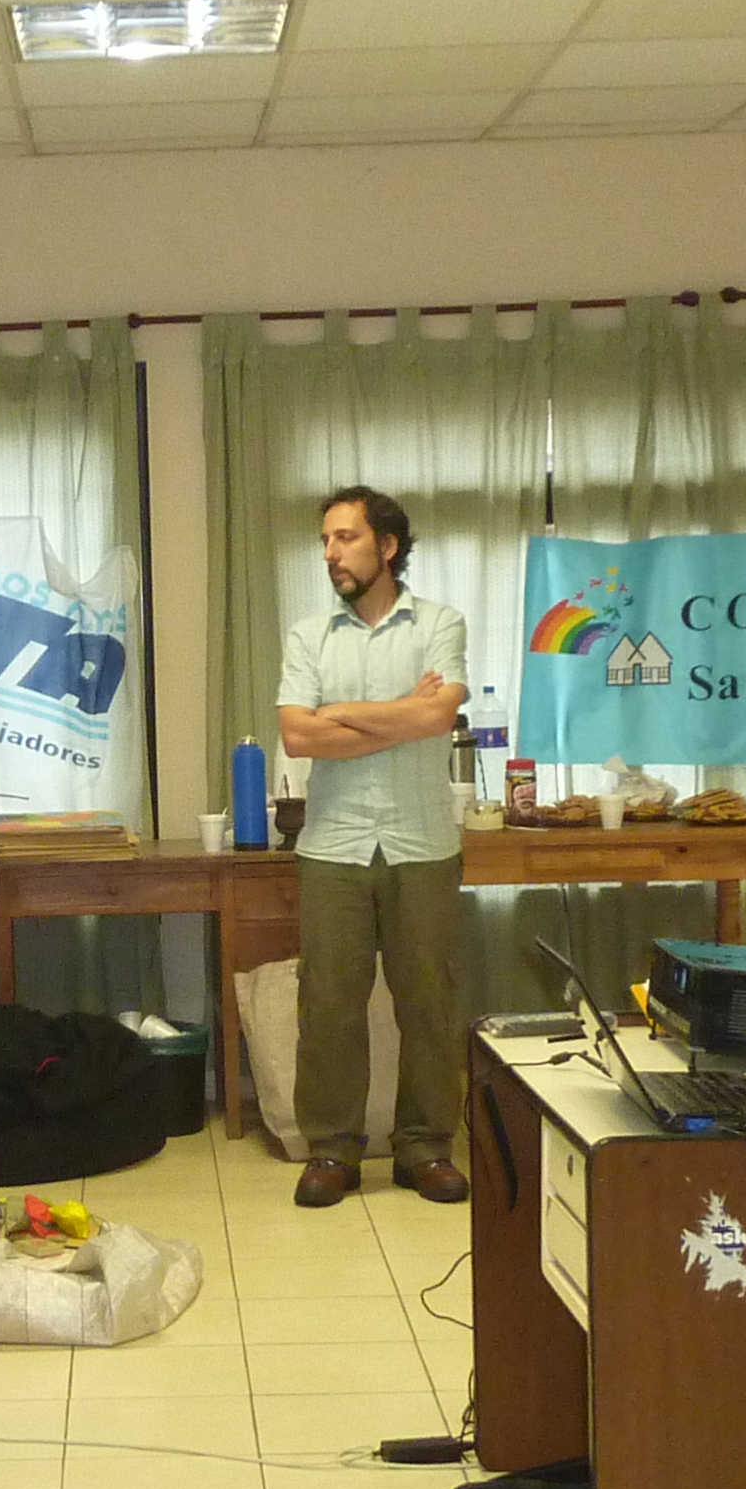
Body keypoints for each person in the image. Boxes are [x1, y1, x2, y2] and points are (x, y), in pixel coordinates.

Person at [275, 484, 470, 1207]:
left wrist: (347, 713)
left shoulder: (440, 623)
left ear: (387, 547)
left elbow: (440, 717)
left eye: (346, 538)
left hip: (423, 843)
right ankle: (332, 1150)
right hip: (334, 845)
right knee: (328, 1005)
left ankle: (425, 1149)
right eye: (326, 540)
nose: (331, 553)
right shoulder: (309, 636)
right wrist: (404, 713)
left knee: (429, 1003)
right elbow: (299, 735)